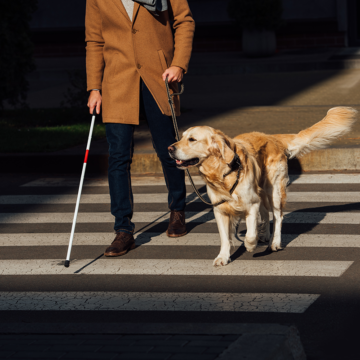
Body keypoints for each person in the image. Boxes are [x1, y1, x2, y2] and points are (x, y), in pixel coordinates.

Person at [85, 0, 195, 256]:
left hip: (158, 76)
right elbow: (94, 40)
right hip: (117, 81)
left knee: (168, 150)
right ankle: (123, 230)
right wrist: (94, 87)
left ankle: (178, 211)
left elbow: (184, 21)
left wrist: (178, 64)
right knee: (119, 158)